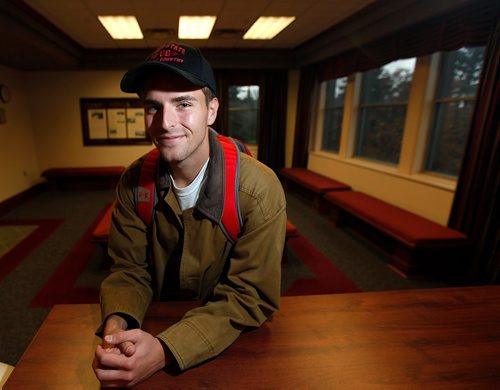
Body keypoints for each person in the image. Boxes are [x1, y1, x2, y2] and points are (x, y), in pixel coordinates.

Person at [92, 42, 287, 387]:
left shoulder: (259, 188)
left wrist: (167, 349)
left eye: (183, 104)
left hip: (230, 342)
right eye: (153, 106)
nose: (166, 123)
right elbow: (128, 270)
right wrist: (116, 329)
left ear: (212, 110)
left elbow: (250, 295)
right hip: (153, 323)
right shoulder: (133, 184)